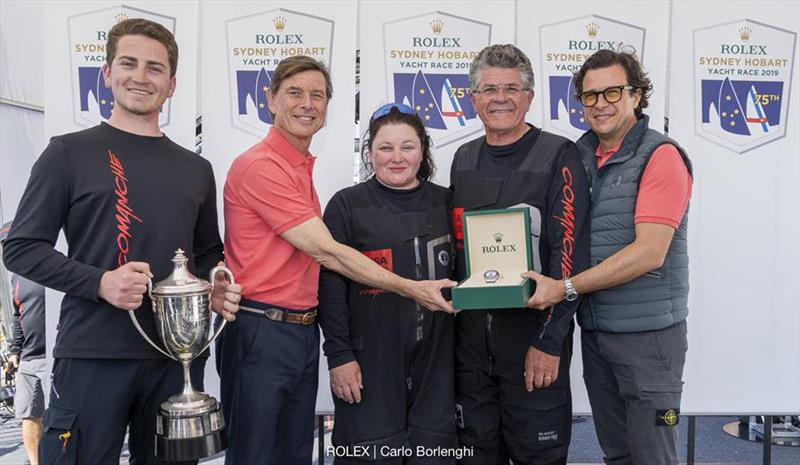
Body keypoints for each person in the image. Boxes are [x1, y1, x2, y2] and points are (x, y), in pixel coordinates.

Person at [2, 18, 241, 465]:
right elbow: (20, 248)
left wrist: (216, 285)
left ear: (171, 84)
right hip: (92, 352)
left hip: (176, 358)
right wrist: (100, 282)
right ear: (107, 74)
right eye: (128, 63)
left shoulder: (195, 168)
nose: (140, 76)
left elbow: (207, 253)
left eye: (155, 68)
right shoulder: (67, 153)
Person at [221, 57, 455, 465]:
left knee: (292, 452)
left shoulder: (299, 168)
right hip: (262, 329)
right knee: (256, 454)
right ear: (270, 99)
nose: (306, 103)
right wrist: (412, 289)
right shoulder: (262, 166)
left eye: (317, 95)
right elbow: (326, 255)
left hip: (299, 331)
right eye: (294, 92)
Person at [524, 49, 693, 465]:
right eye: (590, 95)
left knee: (655, 453)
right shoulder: (578, 156)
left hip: (650, 343)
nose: (600, 104)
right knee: (616, 453)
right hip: (597, 335)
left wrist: (565, 287)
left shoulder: (661, 156)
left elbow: (649, 253)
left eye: (612, 92)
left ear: (636, 96)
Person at [449, 44, 590, 465]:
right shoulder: (463, 158)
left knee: (537, 457)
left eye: (512, 88)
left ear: (529, 96)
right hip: (472, 353)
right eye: (488, 88)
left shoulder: (559, 156)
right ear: (473, 98)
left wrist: (549, 341)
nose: (500, 98)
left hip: (532, 345)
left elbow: (570, 259)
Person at [319, 103, 457, 464]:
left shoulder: (446, 202)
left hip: (437, 367)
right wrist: (339, 356)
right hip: (368, 364)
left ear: (423, 151)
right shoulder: (346, 206)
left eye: (407, 147)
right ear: (370, 152)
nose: (397, 158)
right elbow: (331, 291)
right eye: (385, 148)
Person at [7, 272, 46, 465]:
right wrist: (15, 349)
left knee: (62, 416)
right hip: (28, 358)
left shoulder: (54, 267)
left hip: (55, 353)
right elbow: (17, 314)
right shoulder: (16, 277)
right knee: (29, 415)